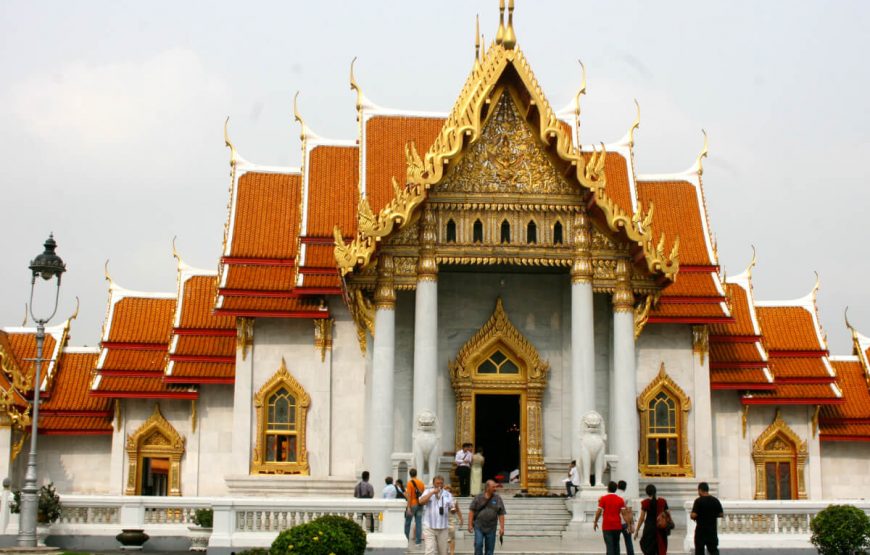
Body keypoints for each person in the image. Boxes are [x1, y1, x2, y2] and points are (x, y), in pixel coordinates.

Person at [419, 475, 456, 555]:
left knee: (443, 552)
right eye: (437, 483)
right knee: (429, 551)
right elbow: (421, 502)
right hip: (429, 526)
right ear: (433, 483)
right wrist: (432, 492)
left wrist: (453, 509)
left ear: (443, 484)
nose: (439, 485)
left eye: (441, 483)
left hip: (443, 528)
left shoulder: (448, 494)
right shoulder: (427, 491)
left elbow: (452, 508)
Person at [468, 479, 506, 555]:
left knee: (490, 550)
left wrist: (502, 528)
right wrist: (470, 524)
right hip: (479, 526)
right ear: (487, 487)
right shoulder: (478, 497)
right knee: (478, 545)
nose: (495, 489)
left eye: (495, 487)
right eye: (493, 487)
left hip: (491, 527)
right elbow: (471, 510)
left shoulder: (497, 498)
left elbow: (501, 513)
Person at [634, 483, 669, 555]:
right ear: (655, 491)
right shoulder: (662, 501)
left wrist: (637, 530)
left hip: (649, 528)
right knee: (660, 547)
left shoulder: (646, 503)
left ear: (647, 493)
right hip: (660, 528)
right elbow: (667, 514)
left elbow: (642, 518)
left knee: (648, 547)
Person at [593, 481, 627, 555]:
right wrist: (629, 525)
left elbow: (599, 511)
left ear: (608, 488)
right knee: (616, 545)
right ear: (616, 489)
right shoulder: (620, 499)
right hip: (617, 525)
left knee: (609, 546)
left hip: (607, 526)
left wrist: (595, 521)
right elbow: (624, 514)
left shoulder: (603, 499)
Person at [691, 482, 724, 555]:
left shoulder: (698, 501)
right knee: (713, 550)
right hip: (712, 531)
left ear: (700, 490)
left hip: (701, 531)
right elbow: (721, 514)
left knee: (699, 551)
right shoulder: (715, 500)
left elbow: (693, 515)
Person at [405, 468, 426, 545]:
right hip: (420, 504)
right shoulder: (421, 483)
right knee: (418, 522)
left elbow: (409, 496)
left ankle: (406, 539)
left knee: (408, 522)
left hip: (412, 504)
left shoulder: (410, 483)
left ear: (410, 474)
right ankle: (418, 541)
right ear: (416, 474)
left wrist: (408, 507)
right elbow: (423, 494)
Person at [616, 480, 635, 555]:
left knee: (616, 542)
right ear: (625, 487)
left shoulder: (615, 496)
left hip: (616, 522)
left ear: (617, 486)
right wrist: (631, 524)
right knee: (628, 541)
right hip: (626, 522)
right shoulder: (627, 497)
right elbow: (629, 511)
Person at [443, 485, 464, 555]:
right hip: (442, 520)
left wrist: (461, 519)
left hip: (451, 520)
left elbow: (458, 510)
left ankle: (452, 553)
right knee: (444, 537)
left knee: (452, 536)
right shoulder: (440, 499)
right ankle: (444, 552)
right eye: (446, 490)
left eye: (449, 491)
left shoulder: (454, 500)